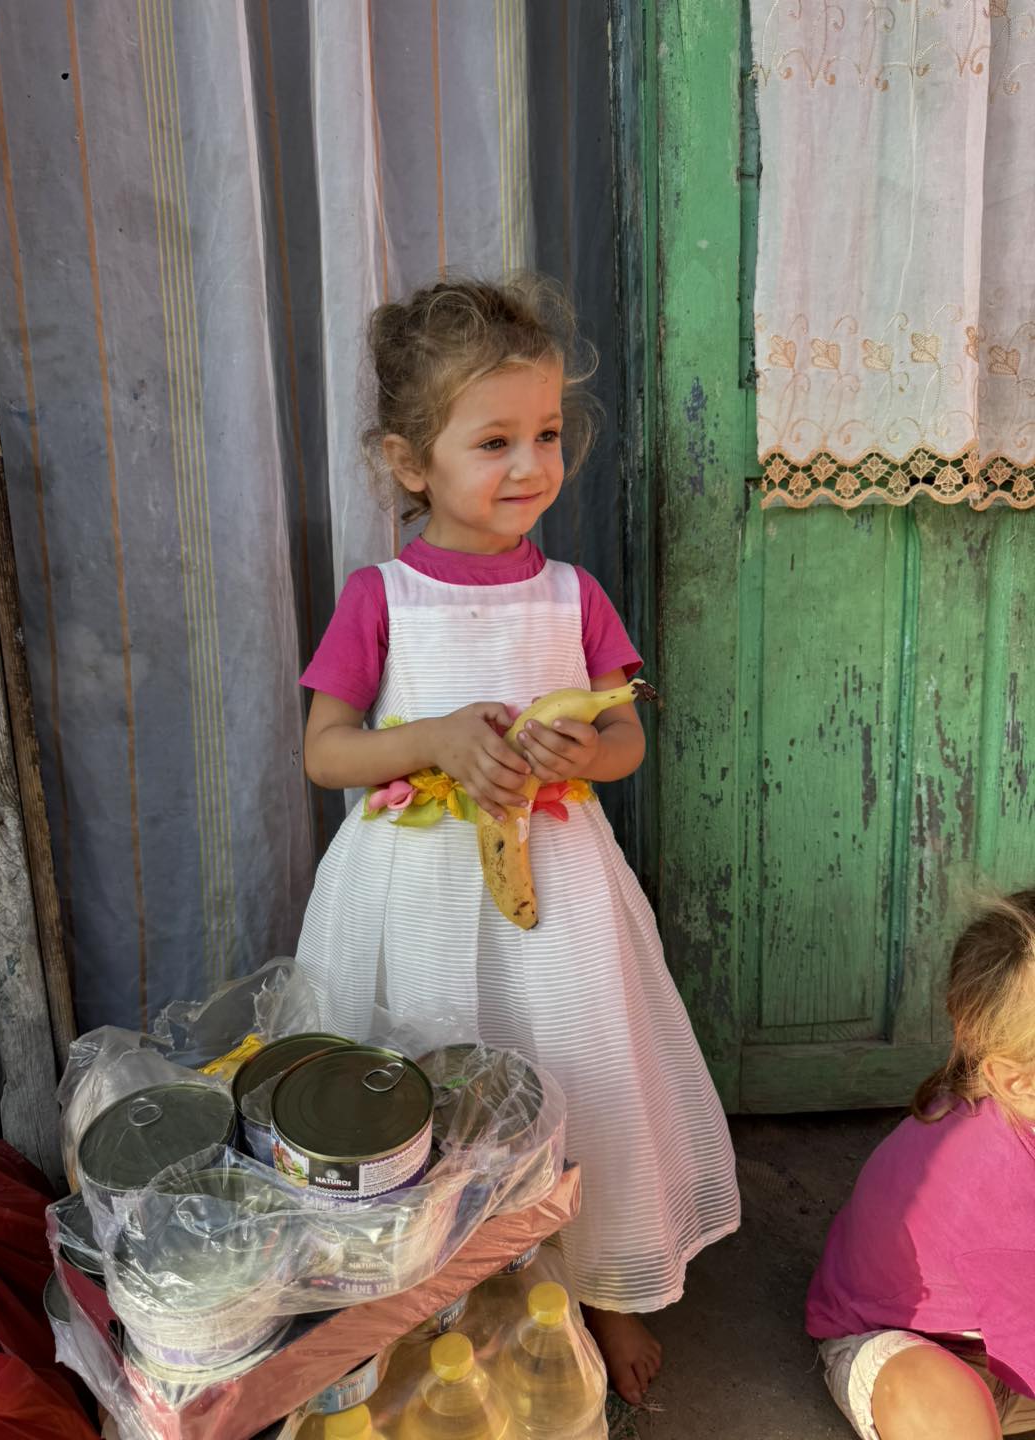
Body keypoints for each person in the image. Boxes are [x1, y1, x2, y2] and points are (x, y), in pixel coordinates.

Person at [294, 276, 739, 1405]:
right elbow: (328, 753)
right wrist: (436, 738)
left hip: (560, 895)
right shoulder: (383, 598)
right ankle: (432, 1300)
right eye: (494, 442)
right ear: (411, 462)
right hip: (413, 895)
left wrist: (587, 751)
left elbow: (626, 734)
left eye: (546, 434)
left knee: (581, 1071)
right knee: (428, 1087)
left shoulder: (572, 595)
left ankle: (601, 1284)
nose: (531, 465)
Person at [807, 888, 1035, 1439]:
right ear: (1016, 1082)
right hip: (907, 1340)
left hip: (999, 1319)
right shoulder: (996, 1191)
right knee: (931, 1397)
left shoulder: (1008, 1098)